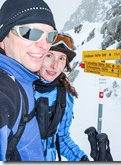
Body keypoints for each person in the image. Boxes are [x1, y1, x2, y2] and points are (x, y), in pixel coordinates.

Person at [0, 0, 58, 161]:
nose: (44, 45)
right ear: (3, 38)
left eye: (50, 36)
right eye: (30, 33)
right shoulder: (6, 88)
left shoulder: (23, 79)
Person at [33, 32, 89, 161]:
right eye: (49, 55)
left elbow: (61, 138)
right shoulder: (16, 88)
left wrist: (82, 159)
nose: (55, 65)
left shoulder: (64, 96)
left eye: (61, 58)